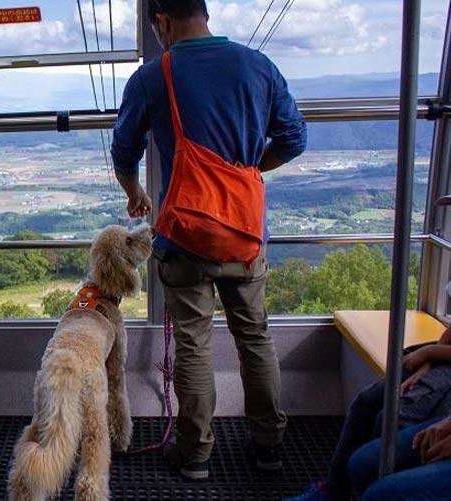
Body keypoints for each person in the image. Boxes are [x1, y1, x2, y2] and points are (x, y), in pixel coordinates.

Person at [110, 0, 307, 480]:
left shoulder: (153, 77)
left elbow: (124, 150)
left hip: (185, 236)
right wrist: (248, 173)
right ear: (203, 12)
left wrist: (136, 192)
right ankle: (268, 446)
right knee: (254, 338)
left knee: (194, 344)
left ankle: (195, 453)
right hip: (244, 235)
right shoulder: (258, 66)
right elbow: (294, 138)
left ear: (162, 21)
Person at [287, 326, 451, 500]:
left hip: (441, 356)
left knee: (393, 419)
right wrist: (427, 364)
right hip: (441, 355)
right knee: (367, 401)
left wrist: (430, 352)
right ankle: (333, 488)